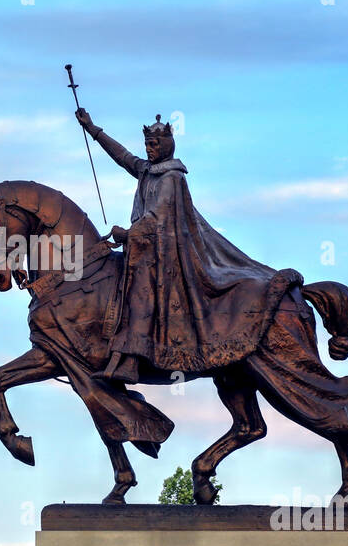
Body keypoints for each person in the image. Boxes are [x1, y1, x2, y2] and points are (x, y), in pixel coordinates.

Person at [75, 107, 298, 383]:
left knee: (141, 291)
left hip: (166, 254)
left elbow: (156, 219)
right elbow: (123, 157)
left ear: (167, 144)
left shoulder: (171, 177)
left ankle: (131, 359)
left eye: (154, 144)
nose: (149, 149)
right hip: (144, 248)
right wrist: (92, 128)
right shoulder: (147, 170)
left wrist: (128, 234)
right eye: (147, 144)